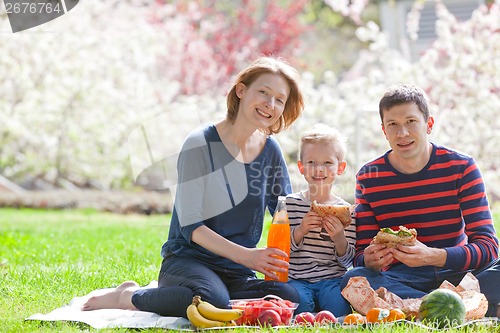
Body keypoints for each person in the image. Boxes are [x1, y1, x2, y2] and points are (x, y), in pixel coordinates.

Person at [81, 56, 304, 317]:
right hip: (188, 261)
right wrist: (248, 256)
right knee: (212, 300)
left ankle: (213, 296)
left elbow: (283, 210)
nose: (270, 104)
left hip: (237, 271)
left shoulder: (270, 151)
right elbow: (191, 226)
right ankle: (128, 296)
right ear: (241, 91)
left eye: (279, 99)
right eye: (263, 93)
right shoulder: (200, 143)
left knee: (288, 297)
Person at [339, 84, 500, 317]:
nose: (402, 133)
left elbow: (488, 247)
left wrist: (434, 256)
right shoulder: (369, 176)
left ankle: (415, 308)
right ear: (384, 130)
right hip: (403, 278)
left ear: (429, 124)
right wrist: (371, 259)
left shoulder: (462, 167)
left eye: (411, 122)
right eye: (393, 124)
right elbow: (361, 255)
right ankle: (453, 306)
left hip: (459, 272)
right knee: (353, 279)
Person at [286, 124, 355, 316]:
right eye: (311, 162)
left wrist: (339, 237)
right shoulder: (290, 205)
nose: (318, 169)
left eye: (327, 163)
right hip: (297, 278)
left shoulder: (346, 212)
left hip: (332, 279)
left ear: (340, 168)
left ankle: (323, 308)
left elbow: (348, 260)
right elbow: (281, 250)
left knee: (339, 310)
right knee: (300, 307)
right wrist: (300, 231)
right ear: (301, 167)